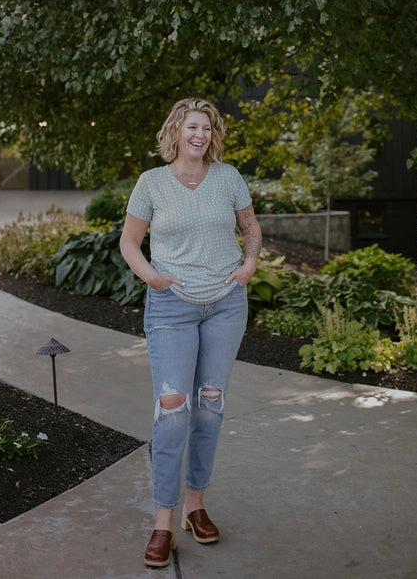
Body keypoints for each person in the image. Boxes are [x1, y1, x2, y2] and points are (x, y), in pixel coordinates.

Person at [120, 97, 262, 568]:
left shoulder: (228, 177)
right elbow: (129, 241)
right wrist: (152, 277)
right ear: (176, 133)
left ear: (212, 134)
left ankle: (195, 507)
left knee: (211, 403)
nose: (198, 134)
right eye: (191, 126)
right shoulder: (152, 183)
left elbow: (251, 228)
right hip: (171, 307)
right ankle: (164, 520)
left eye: (206, 127)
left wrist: (249, 264)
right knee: (173, 407)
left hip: (225, 304)